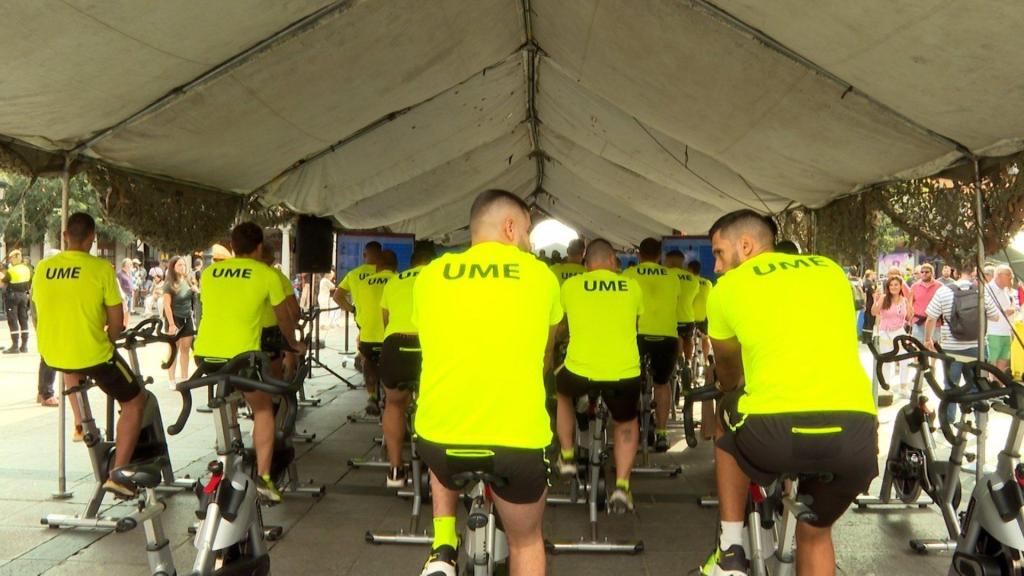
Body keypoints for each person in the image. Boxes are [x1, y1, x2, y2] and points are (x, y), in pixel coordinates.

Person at [701, 210, 877, 576]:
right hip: (856, 436)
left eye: (718, 253)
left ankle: (731, 548)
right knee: (815, 531)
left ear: (745, 245)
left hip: (774, 434)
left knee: (725, 414)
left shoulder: (726, 289)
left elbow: (730, 372)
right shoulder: (830, 270)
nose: (716, 266)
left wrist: (733, 389)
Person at [414, 189, 561, 576]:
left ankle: (443, 548)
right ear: (510, 228)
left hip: (440, 441)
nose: (529, 242)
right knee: (526, 541)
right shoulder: (541, 276)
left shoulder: (429, 276)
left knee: (444, 424)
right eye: (528, 231)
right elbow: (546, 352)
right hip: (516, 443)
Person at [31, 213, 147, 498]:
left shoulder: (43, 267)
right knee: (135, 400)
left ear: (64, 236)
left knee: (71, 368)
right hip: (93, 353)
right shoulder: (101, 269)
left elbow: (38, 309)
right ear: (92, 238)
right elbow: (117, 323)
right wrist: (108, 337)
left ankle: (81, 424)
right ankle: (118, 474)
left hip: (53, 353)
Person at [192, 222, 306, 503]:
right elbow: (284, 317)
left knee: (226, 398)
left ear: (232, 247)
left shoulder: (209, 273)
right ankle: (264, 476)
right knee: (264, 409)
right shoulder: (266, 274)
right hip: (243, 357)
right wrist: (292, 343)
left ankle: (229, 453)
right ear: (258, 247)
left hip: (206, 355)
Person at [557, 238, 643, 512]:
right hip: (624, 373)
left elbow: (562, 326)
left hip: (580, 371)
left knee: (562, 392)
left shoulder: (570, 286)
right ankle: (622, 486)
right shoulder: (632, 286)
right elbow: (635, 323)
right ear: (611, 260)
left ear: (586, 262)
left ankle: (568, 456)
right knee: (626, 422)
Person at [379, 247, 434, 488]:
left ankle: (395, 470)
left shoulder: (394, 280)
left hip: (395, 343)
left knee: (394, 404)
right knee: (433, 403)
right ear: (431, 261)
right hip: (427, 343)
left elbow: (385, 319)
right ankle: (434, 469)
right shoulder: (438, 276)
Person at [923, 270, 999, 438]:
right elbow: (995, 317)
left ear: (955, 273)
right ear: (973, 273)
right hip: (977, 348)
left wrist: (927, 339)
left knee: (951, 385)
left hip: (952, 349)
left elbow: (930, 318)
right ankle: (981, 425)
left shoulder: (943, 291)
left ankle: (948, 422)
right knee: (979, 386)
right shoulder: (982, 291)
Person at [623, 237, 680, 452]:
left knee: (632, 383)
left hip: (638, 336)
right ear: (659, 256)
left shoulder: (628, 275)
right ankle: (662, 433)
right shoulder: (672, 277)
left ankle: (635, 428)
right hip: (667, 337)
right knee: (662, 384)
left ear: (638, 255)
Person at [335, 241, 383, 415]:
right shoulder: (391, 274)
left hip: (366, 329)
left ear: (364, 255)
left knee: (368, 362)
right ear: (381, 254)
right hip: (389, 329)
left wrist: (352, 309)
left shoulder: (354, 274)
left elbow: (337, 296)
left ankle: (371, 396)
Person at [354, 250, 397, 416]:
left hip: (369, 336)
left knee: (369, 361)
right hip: (391, 337)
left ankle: (371, 396)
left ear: (377, 266)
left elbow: (359, 311)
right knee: (393, 366)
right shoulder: (397, 280)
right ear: (396, 266)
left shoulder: (363, 283)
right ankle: (390, 397)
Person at [872, 276, 913, 396]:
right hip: (886, 333)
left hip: (900, 332)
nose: (893, 287)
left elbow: (909, 317)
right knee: (887, 362)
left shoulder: (904, 300)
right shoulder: (884, 298)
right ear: (888, 287)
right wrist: (875, 300)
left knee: (905, 360)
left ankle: (903, 387)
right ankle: (885, 387)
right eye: (891, 285)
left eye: (896, 284)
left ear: (901, 286)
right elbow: (874, 312)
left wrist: (910, 301)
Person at [162, 256, 199, 385]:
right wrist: (171, 324)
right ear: (173, 267)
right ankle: (172, 380)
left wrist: (196, 290)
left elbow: (196, 297)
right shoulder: (169, 285)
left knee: (186, 349)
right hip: (174, 318)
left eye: (184, 265)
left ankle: (184, 378)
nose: (182, 267)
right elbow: (167, 305)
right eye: (179, 265)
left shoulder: (189, 281)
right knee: (173, 350)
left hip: (187, 317)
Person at [664, 249, 700, 371]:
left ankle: (677, 364)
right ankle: (688, 363)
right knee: (688, 339)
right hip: (688, 318)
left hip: (671, 320)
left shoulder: (665, 275)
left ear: (670, 260)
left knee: (673, 345)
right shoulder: (693, 279)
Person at [984, 265, 1018, 373]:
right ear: (998, 275)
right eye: (1008, 275)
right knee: (992, 363)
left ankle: (999, 386)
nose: (1011, 277)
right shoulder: (988, 289)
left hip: (1006, 332)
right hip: (993, 332)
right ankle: (991, 385)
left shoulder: (1007, 291)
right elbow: (986, 310)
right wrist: (1005, 311)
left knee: (1003, 361)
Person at [4, 249, 32, 353]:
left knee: (13, 320)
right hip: (24, 296)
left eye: (11, 258)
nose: (10, 260)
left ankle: (15, 346)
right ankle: (24, 346)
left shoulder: (12, 270)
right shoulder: (26, 269)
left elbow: (3, 283)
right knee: (23, 320)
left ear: (16, 257)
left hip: (12, 296)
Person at [910, 263, 942, 345]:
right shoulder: (914, 286)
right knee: (917, 348)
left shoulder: (940, 286)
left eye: (927, 272)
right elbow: (910, 304)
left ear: (932, 273)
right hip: (918, 322)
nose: (924, 274)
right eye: (922, 272)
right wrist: (909, 321)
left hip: (934, 322)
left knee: (934, 347)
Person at [860, 269, 877, 344]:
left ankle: (864, 338)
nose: (874, 276)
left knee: (866, 322)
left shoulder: (864, 283)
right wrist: (876, 304)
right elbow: (874, 295)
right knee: (871, 322)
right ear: (870, 275)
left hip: (866, 305)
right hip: (871, 305)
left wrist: (864, 304)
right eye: (873, 274)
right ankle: (869, 339)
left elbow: (864, 295)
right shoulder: (871, 284)